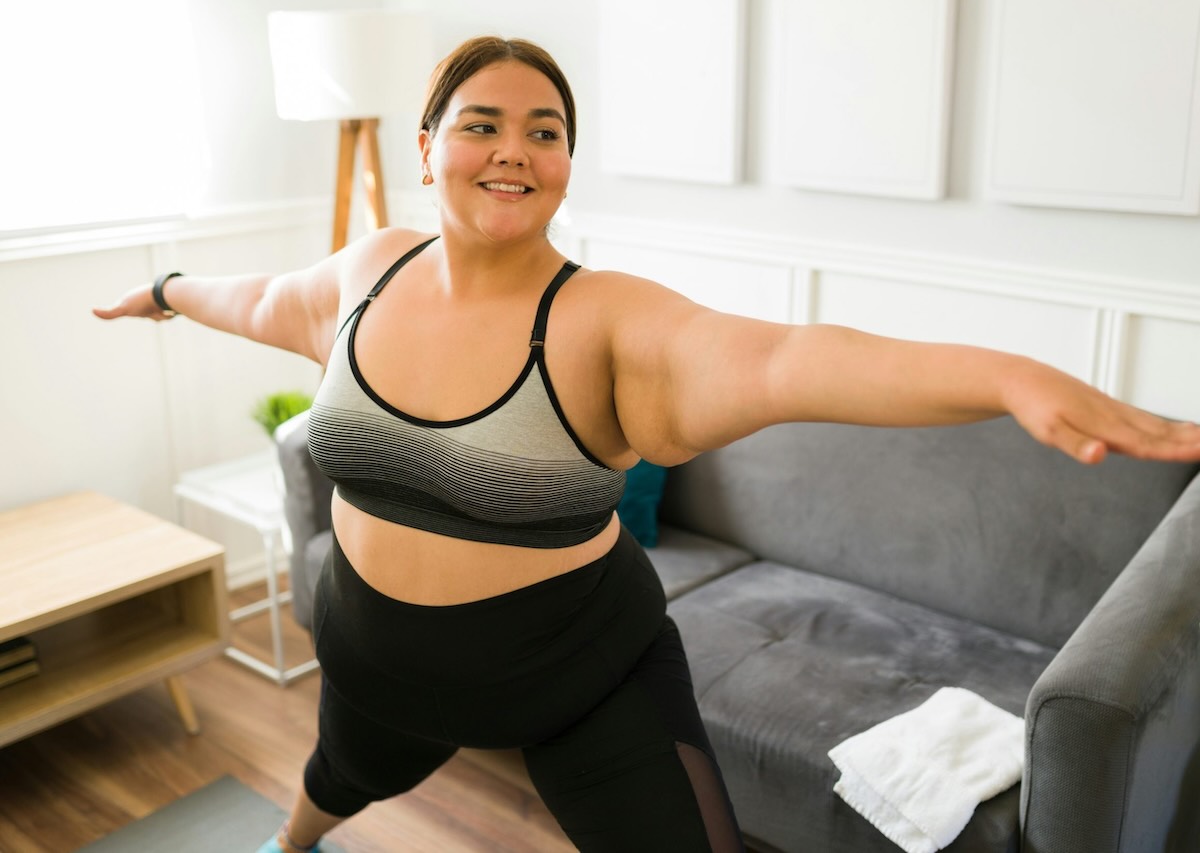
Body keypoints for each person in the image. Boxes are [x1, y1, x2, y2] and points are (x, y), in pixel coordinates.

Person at [94, 35, 1200, 853]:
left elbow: (792, 358)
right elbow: (249, 295)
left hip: (579, 675)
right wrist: (164, 287)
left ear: (568, 165)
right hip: (375, 655)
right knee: (335, 776)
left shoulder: (607, 319)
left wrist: (1006, 377)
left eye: (546, 132)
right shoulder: (361, 270)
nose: (514, 149)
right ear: (425, 145)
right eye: (483, 122)